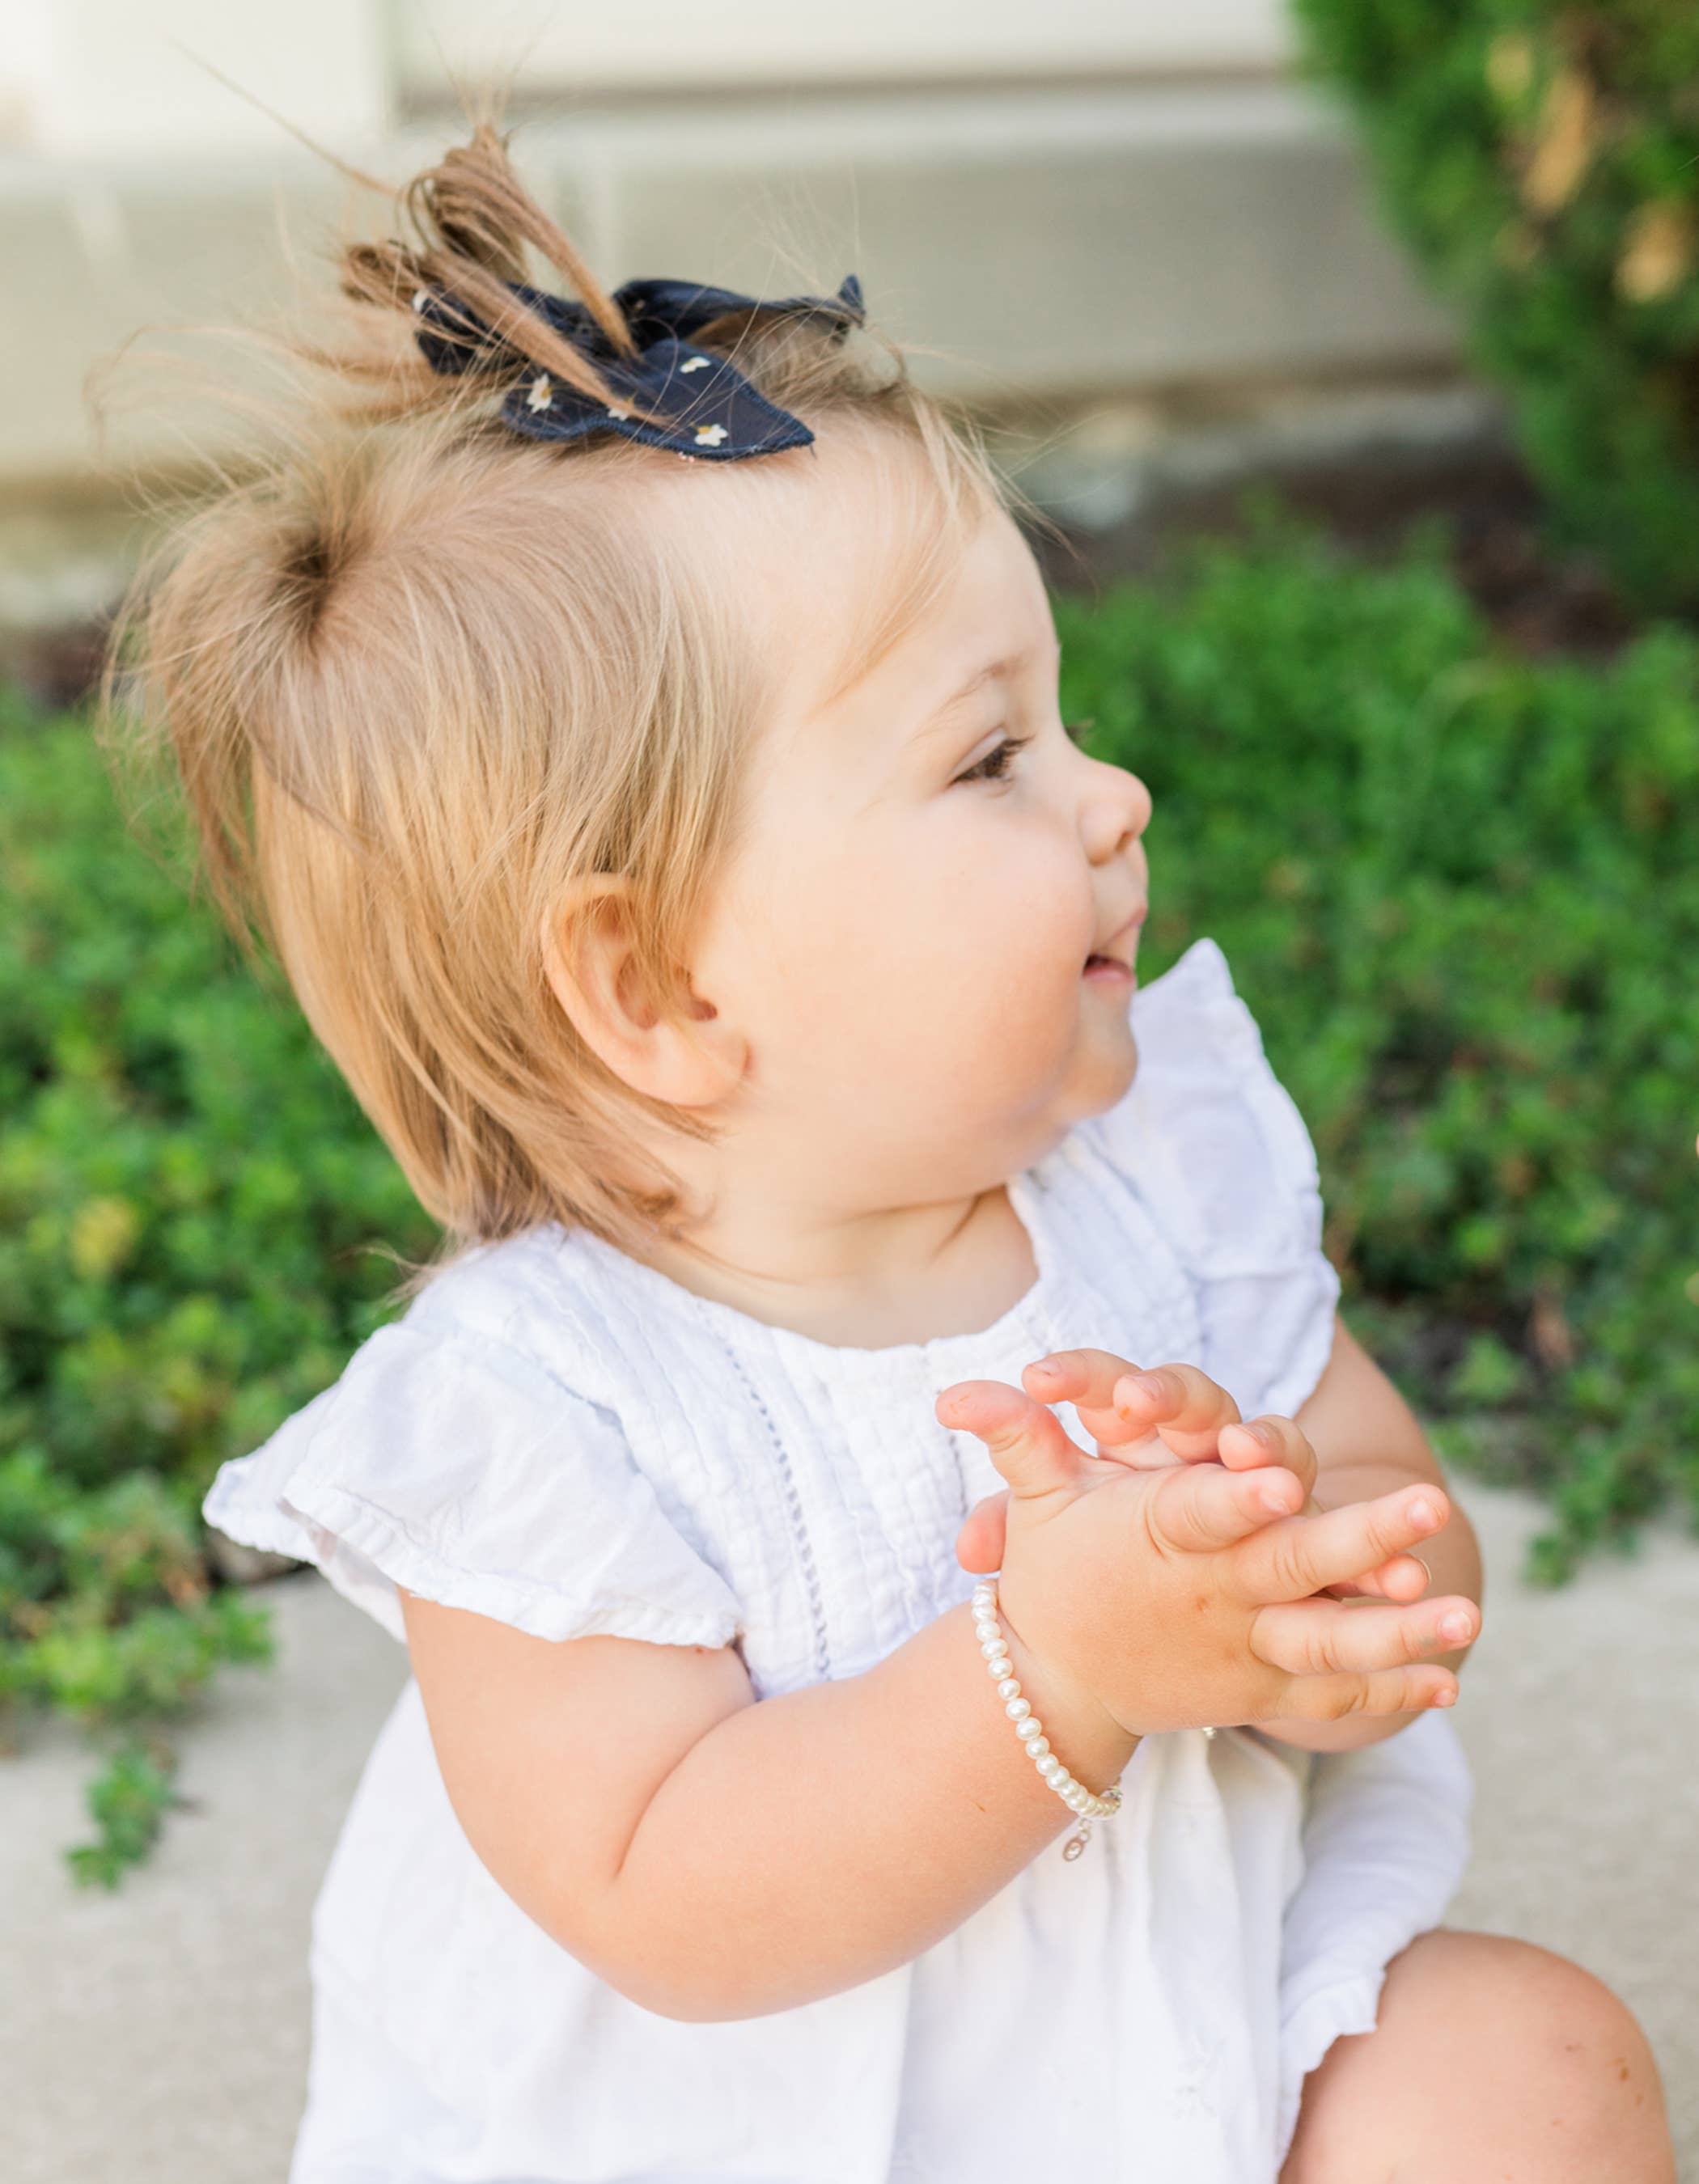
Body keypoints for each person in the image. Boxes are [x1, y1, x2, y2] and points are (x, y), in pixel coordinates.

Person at [116, 122, 1674, 2184]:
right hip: (746, 2143)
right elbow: (672, 1896)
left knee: (1527, 2072)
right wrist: (1057, 1663)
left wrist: (1287, 1565)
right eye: (989, 754)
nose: (1112, 794)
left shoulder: (1158, 1191)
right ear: (662, 991)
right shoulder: (539, 1418)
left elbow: (1409, 1531)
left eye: (1062, 715)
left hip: (1189, 2059)